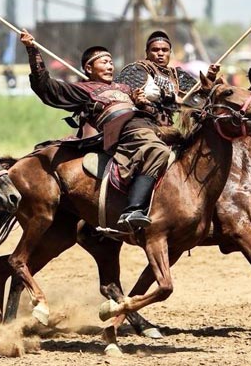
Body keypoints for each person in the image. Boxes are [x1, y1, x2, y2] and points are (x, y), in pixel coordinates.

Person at [20, 29, 168, 230]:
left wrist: (141, 103)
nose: (109, 65)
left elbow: (147, 110)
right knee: (159, 149)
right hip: (121, 129)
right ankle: (133, 209)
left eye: (110, 61)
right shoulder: (82, 90)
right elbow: (45, 87)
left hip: (144, 124)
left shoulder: (125, 89)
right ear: (89, 68)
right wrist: (32, 50)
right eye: (103, 62)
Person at [114, 30, 219, 225]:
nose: (160, 53)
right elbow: (120, 92)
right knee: (157, 152)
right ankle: (134, 208)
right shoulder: (136, 70)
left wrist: (209, 82)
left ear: (170, 52)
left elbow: (198, 99)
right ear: (147, 52)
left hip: (170, 129)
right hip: (141, 127)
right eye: (155, 50)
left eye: (164, 50)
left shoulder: (177, 75)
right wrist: (147, 99)